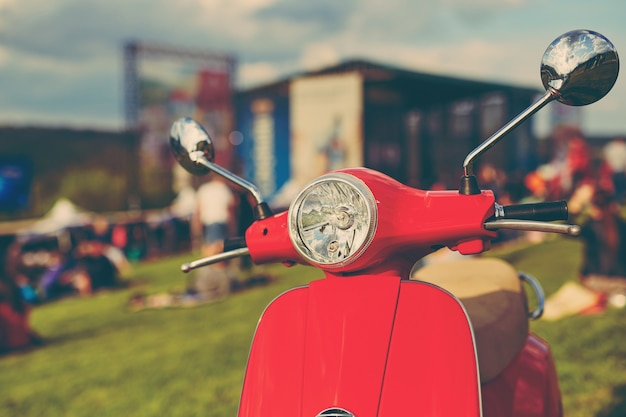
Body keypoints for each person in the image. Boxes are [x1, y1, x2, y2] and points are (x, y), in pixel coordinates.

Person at [195, 175, 235, 259]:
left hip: (208, 222)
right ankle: (216, 268)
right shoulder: (224, 189)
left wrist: (197, 223)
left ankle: (212, 266)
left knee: (210, 246)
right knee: (218, 249)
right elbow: (230, 209)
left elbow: (199, 208)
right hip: (221, 221)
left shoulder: (204, 189)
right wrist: (232, 225)